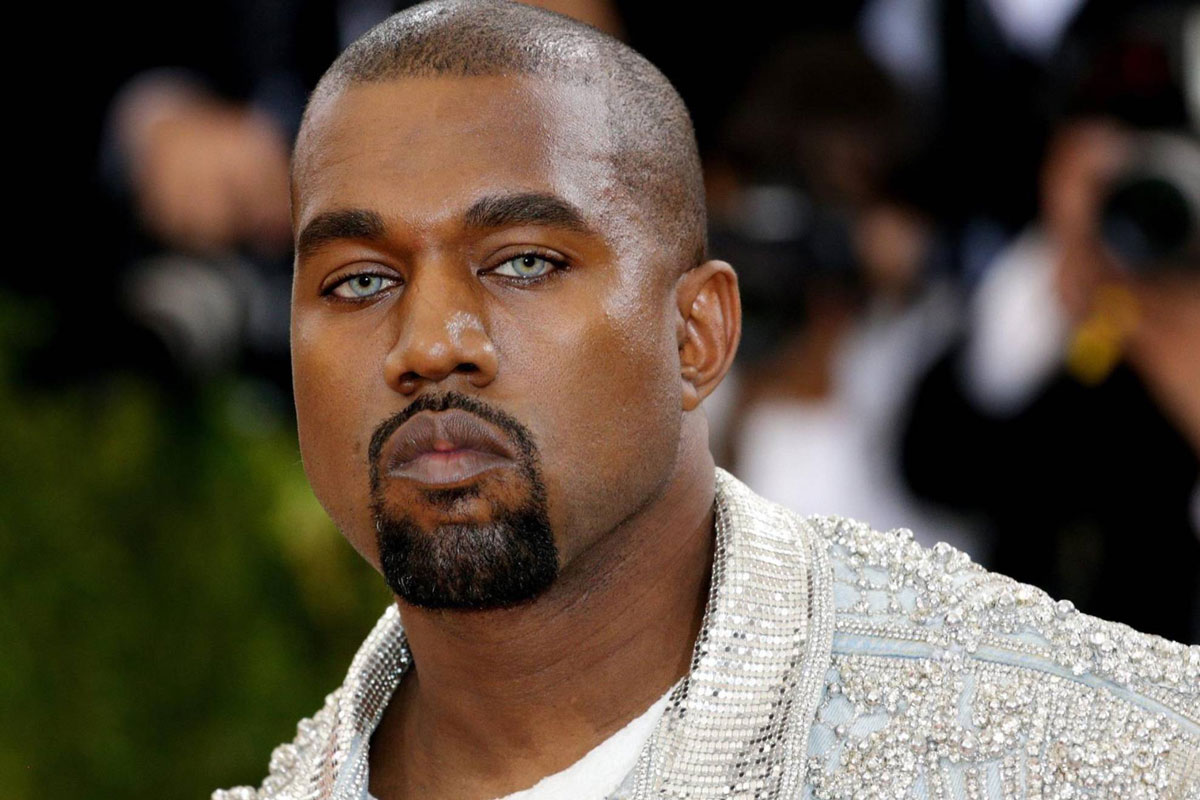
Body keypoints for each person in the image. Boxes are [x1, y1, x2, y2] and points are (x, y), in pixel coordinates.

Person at [215, 2, 1199, 798]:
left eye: (523, 261)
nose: (429, 342)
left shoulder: (1083, 749)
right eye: (358, 280)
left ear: (698, 332)